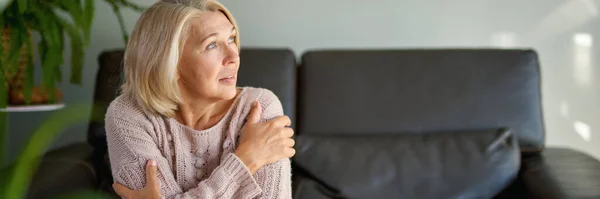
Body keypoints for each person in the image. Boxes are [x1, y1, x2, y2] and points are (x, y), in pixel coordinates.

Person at [104, 0, 295, 198]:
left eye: (231, 39)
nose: (233, 56)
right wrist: (246, 160)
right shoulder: (128, 116)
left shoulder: (259, 107)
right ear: (168, 62)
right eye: (212, 45)